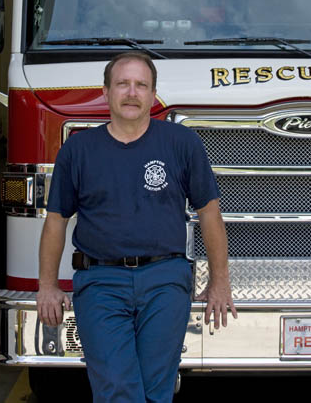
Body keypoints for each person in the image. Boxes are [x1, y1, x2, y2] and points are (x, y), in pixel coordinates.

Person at [37, 52, 237, 403]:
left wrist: (220, 283)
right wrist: (47, 285)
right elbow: (56, 221)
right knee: (117, 388)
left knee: (157, 391)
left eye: (141, 85)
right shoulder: (78, 149)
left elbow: (209, 213)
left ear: (153, 93)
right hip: (100, 283)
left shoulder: (182, 143)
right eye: (123, 84)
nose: (132, 93)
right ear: (106, 92)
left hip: (165, 281)